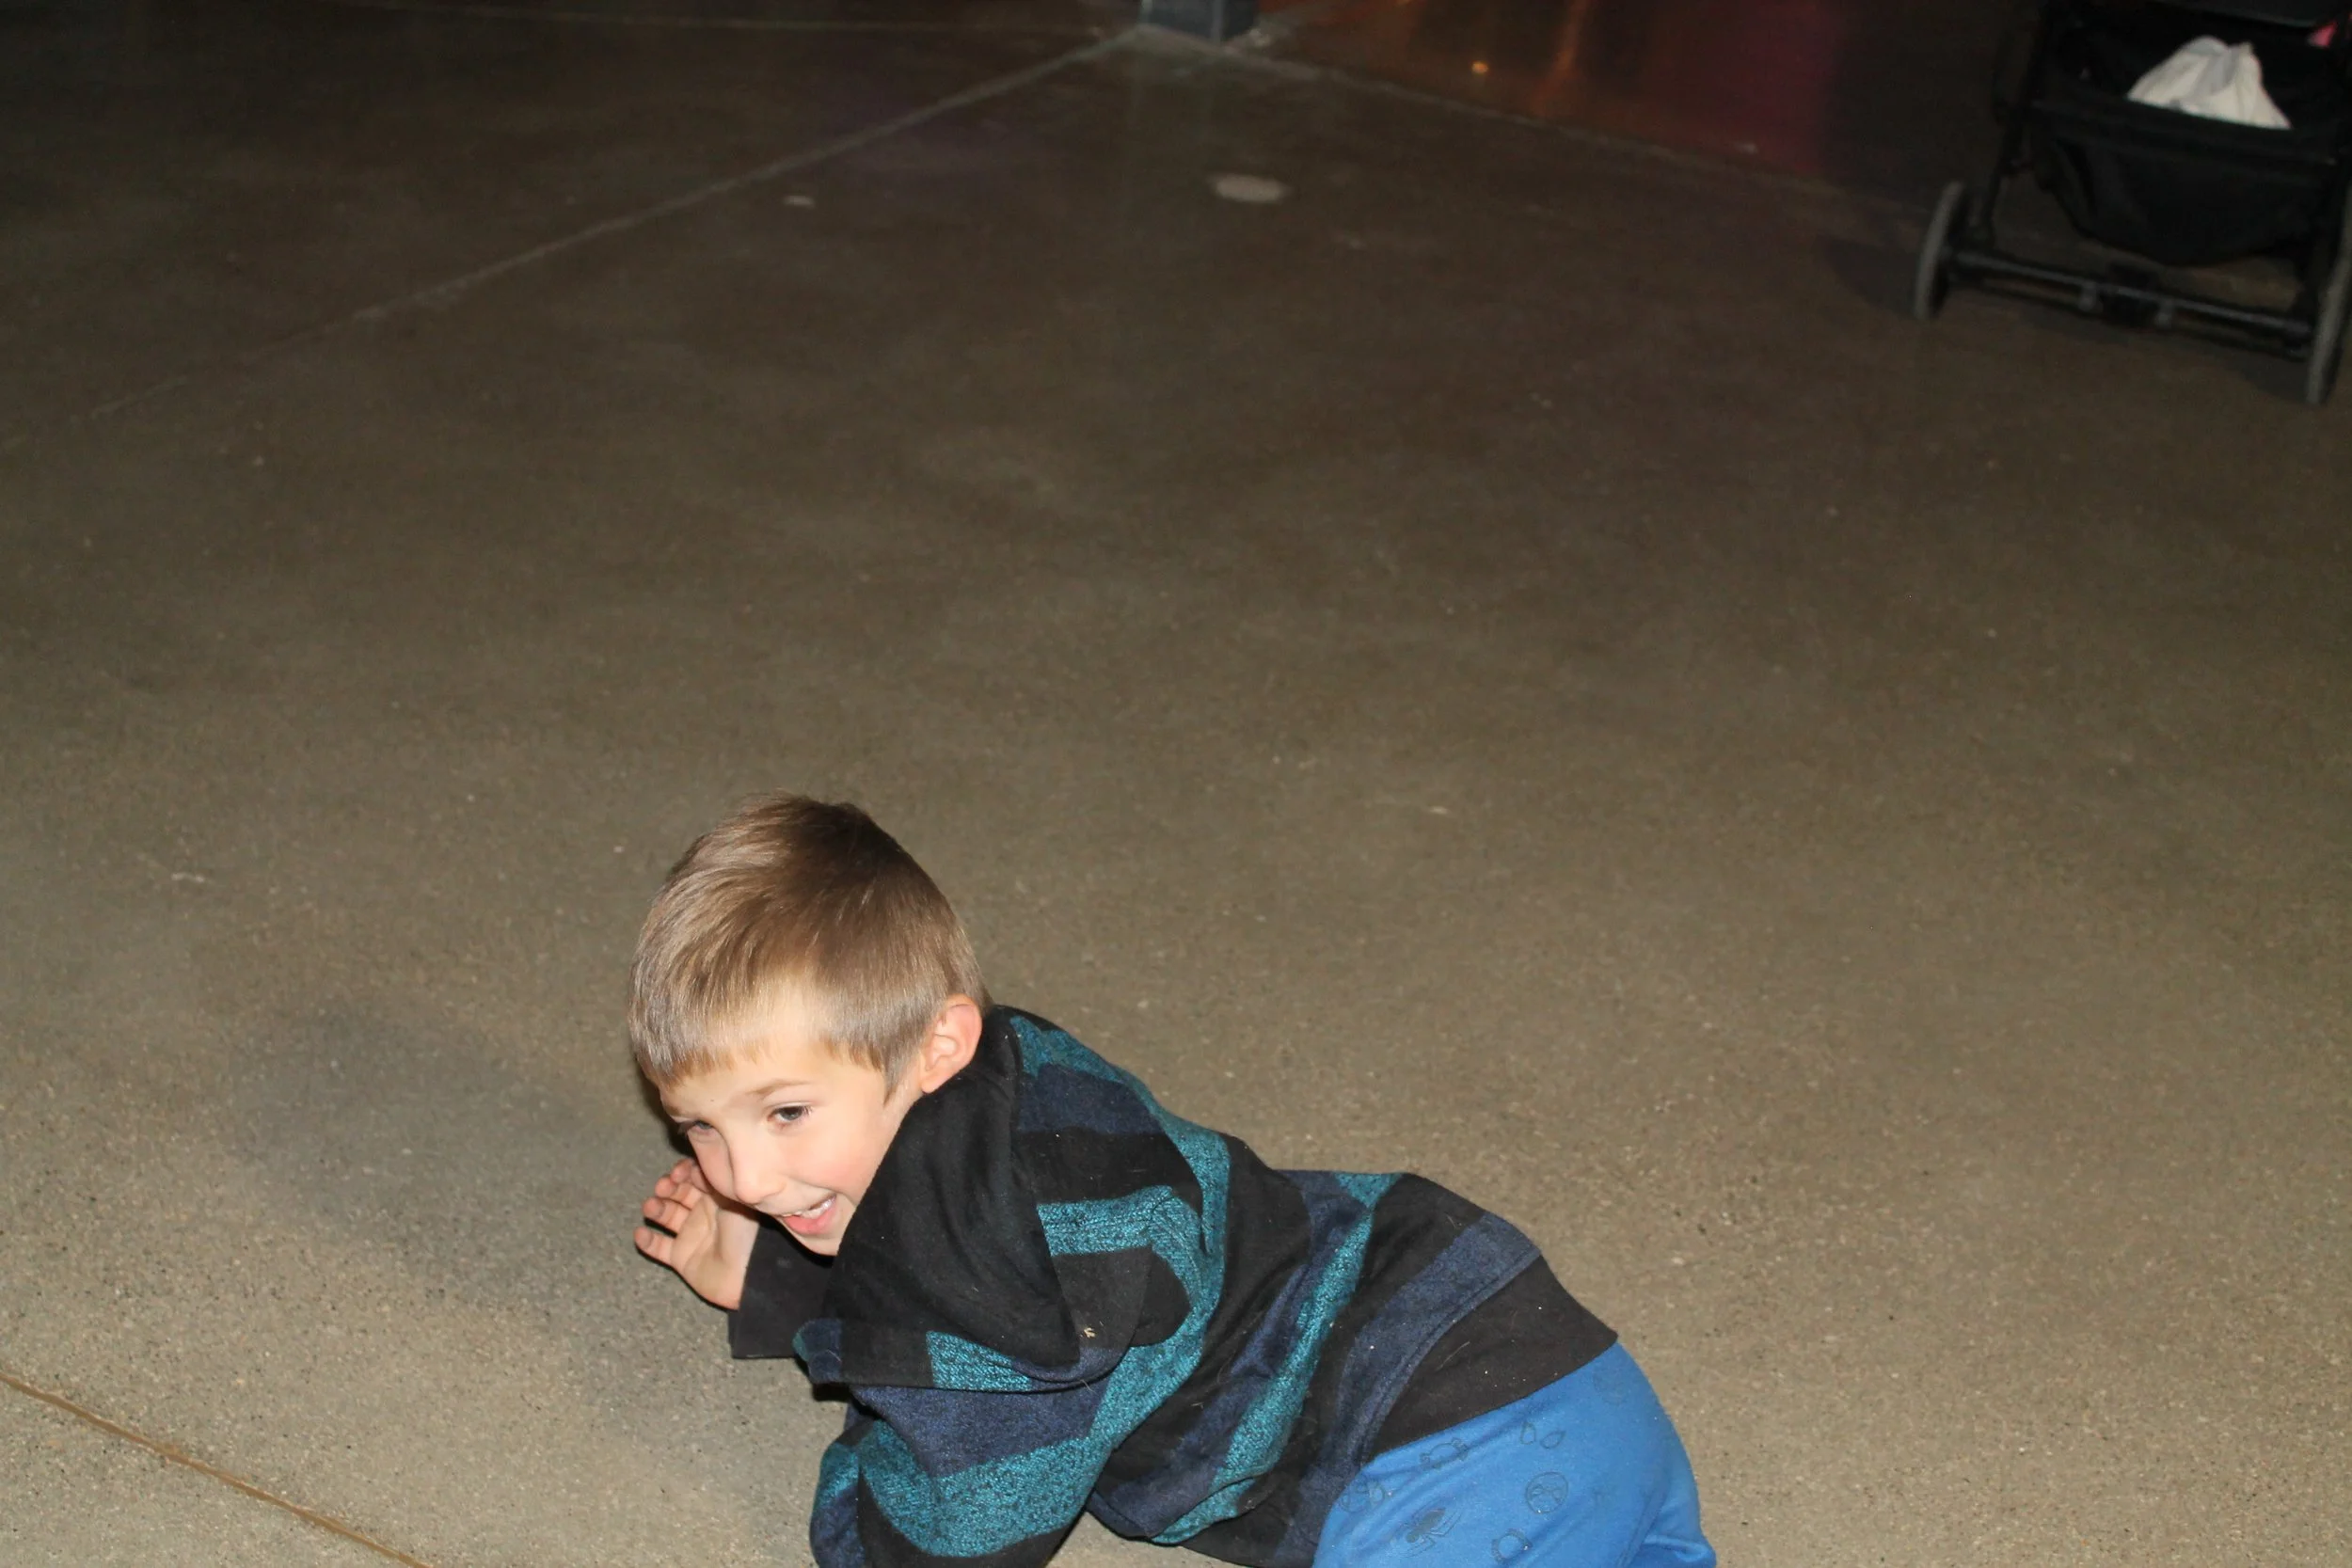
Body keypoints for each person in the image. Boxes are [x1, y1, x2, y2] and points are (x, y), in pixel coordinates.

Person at [629, 794, 1712, 1568]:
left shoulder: (1003, 1306)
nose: (743, 1175)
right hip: (1512, 1332)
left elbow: (946, 1534)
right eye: (700, 1127)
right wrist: (791, 1283)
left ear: (933, 1048)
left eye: (783, 1112)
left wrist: (857, 1373)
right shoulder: (1018, 1076)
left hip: (1448, 1442)